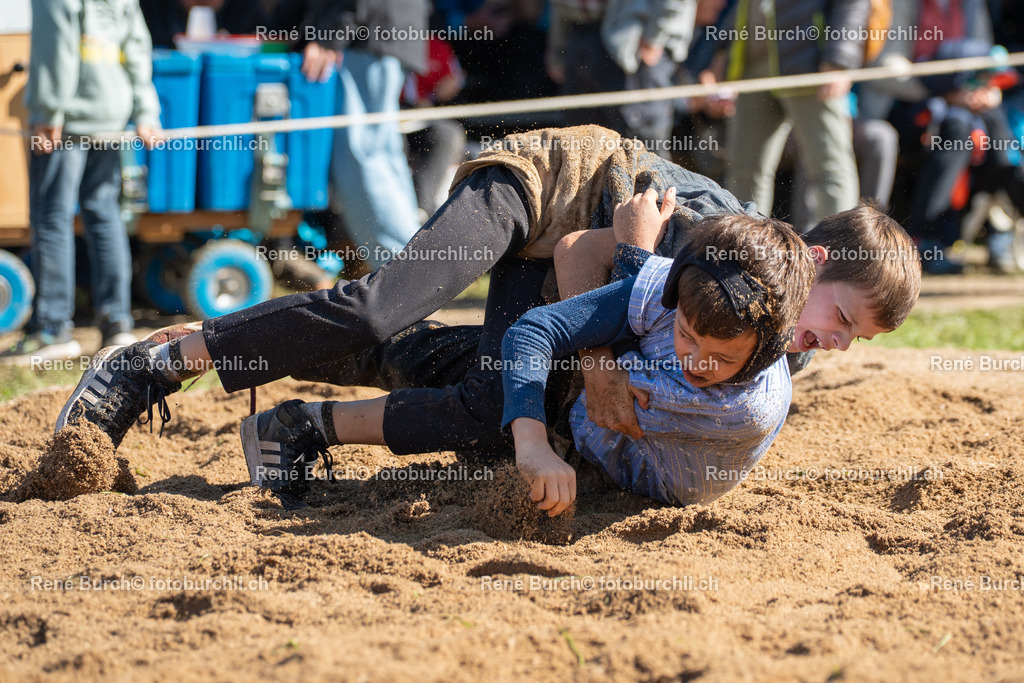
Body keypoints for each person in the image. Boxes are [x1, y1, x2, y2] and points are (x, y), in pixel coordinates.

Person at [54, 126, 919, 507]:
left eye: (856, 339)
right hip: (540, 195)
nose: (837, 343)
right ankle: (157, 363)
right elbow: (583, 255)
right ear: (810, 261)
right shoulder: (714, 245)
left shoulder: (773, 339)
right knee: (373, 309)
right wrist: (601, 362)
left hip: (555, 270)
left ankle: (299, 423)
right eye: (844, 318)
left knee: (492, 400)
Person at [4, 0, 160, 364]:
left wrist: (46, 111)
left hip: (69, 117)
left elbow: (54, 45)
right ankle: (117, 324)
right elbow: (137, 46)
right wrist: (146, 111)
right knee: (104, 212)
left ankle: (53, 329)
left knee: (51, 216)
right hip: (111, 113)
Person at [714, 0, 867, 224]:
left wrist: (839, 60)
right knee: (744, 171)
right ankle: (742, 250)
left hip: (809, 62)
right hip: (751, 66)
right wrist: (722, 53)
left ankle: (841, 251)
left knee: (830, 168)